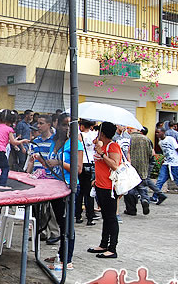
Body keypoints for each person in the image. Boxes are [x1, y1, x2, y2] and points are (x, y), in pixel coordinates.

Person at [44, 113, 83, 270]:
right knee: (61, 223)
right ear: (57, 124)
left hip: (69, 187)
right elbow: (51, 163)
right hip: (55, 187)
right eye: (64, 124)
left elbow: (78, 169)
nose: (66, 128)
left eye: (69, 125)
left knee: (67, 225)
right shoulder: (56, 142)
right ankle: (61, 253)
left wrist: (59, 162)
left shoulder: (75, 143)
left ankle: (67, 260)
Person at [88, 121, 122, 259]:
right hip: (100, 186)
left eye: (99, 132)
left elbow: (115, 165)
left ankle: (112, 248)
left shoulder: (112, 146)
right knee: (106, 217)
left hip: (110, 188)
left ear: (102, 133)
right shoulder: (102, 146)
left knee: (111, 218)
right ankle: (103, 244)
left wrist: (102, 154)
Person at [28, 114, 61, 244]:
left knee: (49, 207)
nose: (39, 126)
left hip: (49, 177)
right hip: (36, 177)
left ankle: (54, 232)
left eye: (41, 123)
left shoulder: (54, 141)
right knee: (37, 207)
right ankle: (41, 231)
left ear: (49, 125)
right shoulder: (35, 141)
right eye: (38, 123)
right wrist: (27, 174)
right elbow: (31, 160)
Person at [0, 109, 28, 189]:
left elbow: (1, 139)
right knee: (5, 168)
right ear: (10, 121)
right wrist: (23, 141)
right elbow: (13, 142)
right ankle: (2, 185)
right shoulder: (9, 129)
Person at [124, 127, 163, 216]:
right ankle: (145, 199)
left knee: (131, 190)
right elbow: (151, 154)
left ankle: (131, 209)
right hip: (143, 167)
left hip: (131, 168)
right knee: (142, 187)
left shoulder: (128, 139)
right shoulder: (146, 139)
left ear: (130, 130)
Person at [150, 126, 178, 203]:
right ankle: (155, 196)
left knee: (177, 180)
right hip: (166, 163)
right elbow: (164, 153)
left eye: (158, 132)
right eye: (156, 132)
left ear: (163, 132)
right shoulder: (160, 142)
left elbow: (177, 149)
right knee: (160, 180)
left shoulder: (170, 139)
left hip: (174, 163)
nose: (157, 134)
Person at [77, 120, 97, 225]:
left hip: (81, 163)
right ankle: (90, 217)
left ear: (82, 126)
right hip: (91, 164)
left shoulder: (79, 136)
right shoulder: (95, 135)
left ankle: (78, 215)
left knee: (79, 192)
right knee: (89, 193)